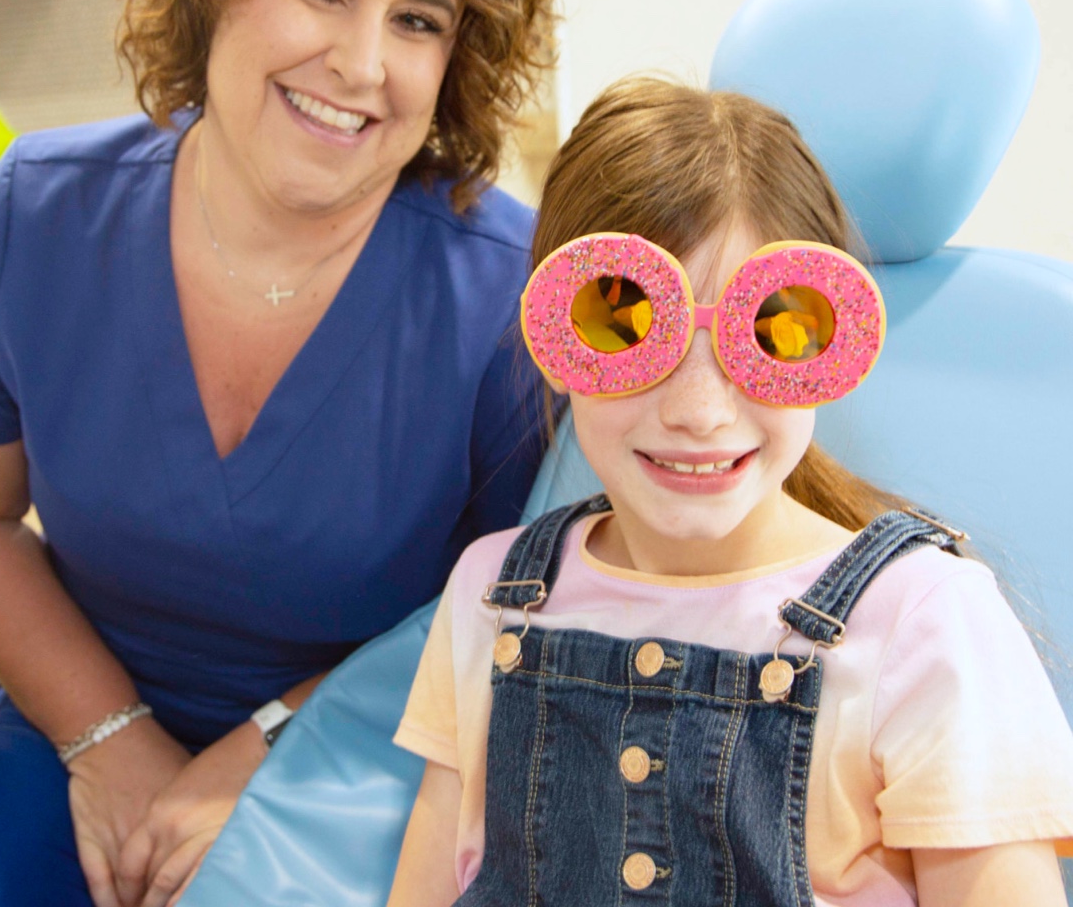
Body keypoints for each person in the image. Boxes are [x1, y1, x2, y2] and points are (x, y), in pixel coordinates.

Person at [0, 0, 561, 907]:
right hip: (73, 714)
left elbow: (515, 609)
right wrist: (108, 739)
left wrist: (266, 747)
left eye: (417, 20)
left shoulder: (507, 292)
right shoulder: (35, 217)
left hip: (372, 742)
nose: (358, 61)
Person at [388, 77, 1073, 906]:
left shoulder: (928, 623)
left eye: (775, 329)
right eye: (625, 322)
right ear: (555, 334)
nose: (700, 413)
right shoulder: (492, 596)